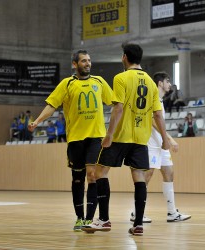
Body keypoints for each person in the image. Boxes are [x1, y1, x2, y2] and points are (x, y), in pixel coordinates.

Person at [82, 43, 170, 236]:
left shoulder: (121, 78)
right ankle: (138, 224)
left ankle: (104, 220)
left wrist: (109, 135)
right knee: (139, 177)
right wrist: (165, 139)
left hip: (121, 135)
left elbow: (118, 108)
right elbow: (157, 114)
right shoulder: (149, 81)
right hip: (140, 138)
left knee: (100, 173)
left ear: (124, 57)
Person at [28, 50, 113, 231]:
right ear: (75, 64)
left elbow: (115, 103)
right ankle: (79, 217)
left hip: (96, 136)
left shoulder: (99, 82)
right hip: (75, 138)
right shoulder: (67, 84)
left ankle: (89, 220)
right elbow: (52, 105)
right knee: (77, 179)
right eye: (83, 61)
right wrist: (37, 121)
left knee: (92, 175)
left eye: (89, 60)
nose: (87, 63)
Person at [130, 71, 191, 223]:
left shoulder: (161, 100)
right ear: (160, 83)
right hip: (151, 143)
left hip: (160, 143)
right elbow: (152, 121)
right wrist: (169, 139)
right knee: (147, 176)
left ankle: (172, 213)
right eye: (167, 81)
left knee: (169, 172)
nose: (170, 84)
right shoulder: (152, 98)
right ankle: (136, 213)